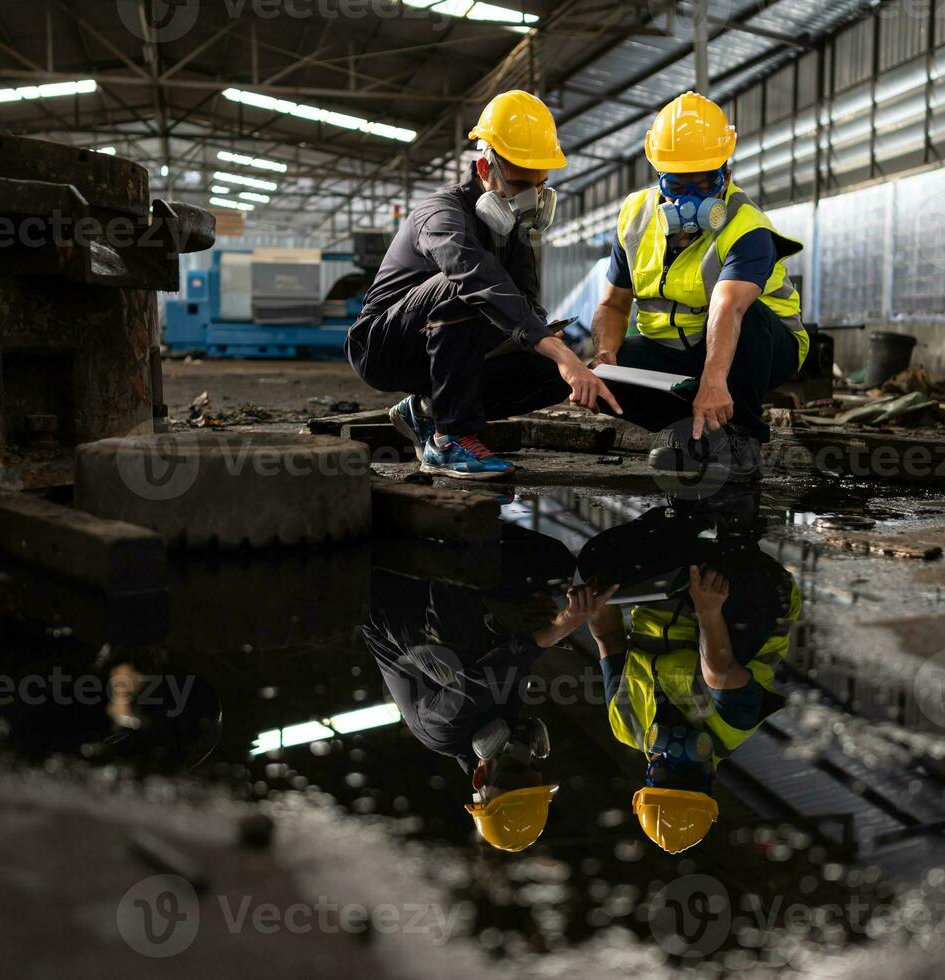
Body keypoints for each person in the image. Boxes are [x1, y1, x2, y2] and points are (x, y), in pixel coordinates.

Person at [347, 89, 622, 480]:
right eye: (520, 182)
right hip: (383, 347)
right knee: (471, 289)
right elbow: (474, 277)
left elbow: (525, 306)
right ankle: (450, 440)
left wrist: (570, 361)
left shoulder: (513, 228)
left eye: (540, 184)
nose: (532, 196)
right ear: (483, 169)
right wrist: (563, 355)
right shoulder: (440, 212)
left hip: (442, 347)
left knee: (548, 366)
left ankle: (426, 411)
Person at [587, 91, 810, 483]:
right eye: (677, 185)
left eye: (706, 183)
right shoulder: (635, 216)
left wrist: (712, 380)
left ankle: (742, 438)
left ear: (726, 171)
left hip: (760, 346)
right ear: (659, 176)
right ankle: (690, 432)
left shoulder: (746, 226)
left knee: (749, 319)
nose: (691, 200)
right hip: (677, 349)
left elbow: (730, 308)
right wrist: (605, 352)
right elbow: (613, 305)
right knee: (599, 379)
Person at [362, 526, 616, 851]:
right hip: (439, 597)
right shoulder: (506, 716)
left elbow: (476, 681)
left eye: (514, 767)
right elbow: (506, 652)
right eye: (532, 764)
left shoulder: (442, 732)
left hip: (389, 595)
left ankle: (450, 541)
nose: (525, 750)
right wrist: (521, 617)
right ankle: (466, 533)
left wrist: (557, 629)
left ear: (479, 780)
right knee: (552, 566)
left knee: (456, 664)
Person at [577, 506, 801, 854]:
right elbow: (719, 670)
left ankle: (681, 515)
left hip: (667, 590)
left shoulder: (626, 723)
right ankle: (737, 530)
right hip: (750, 596)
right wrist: (708, 609)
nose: (674, 760)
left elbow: (608, 637)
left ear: (648, 777)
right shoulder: (733, 726)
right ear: (710, 779)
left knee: (596, 560)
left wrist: (596, 598)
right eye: (687, 779)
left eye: (666, 779)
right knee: (726, 661)